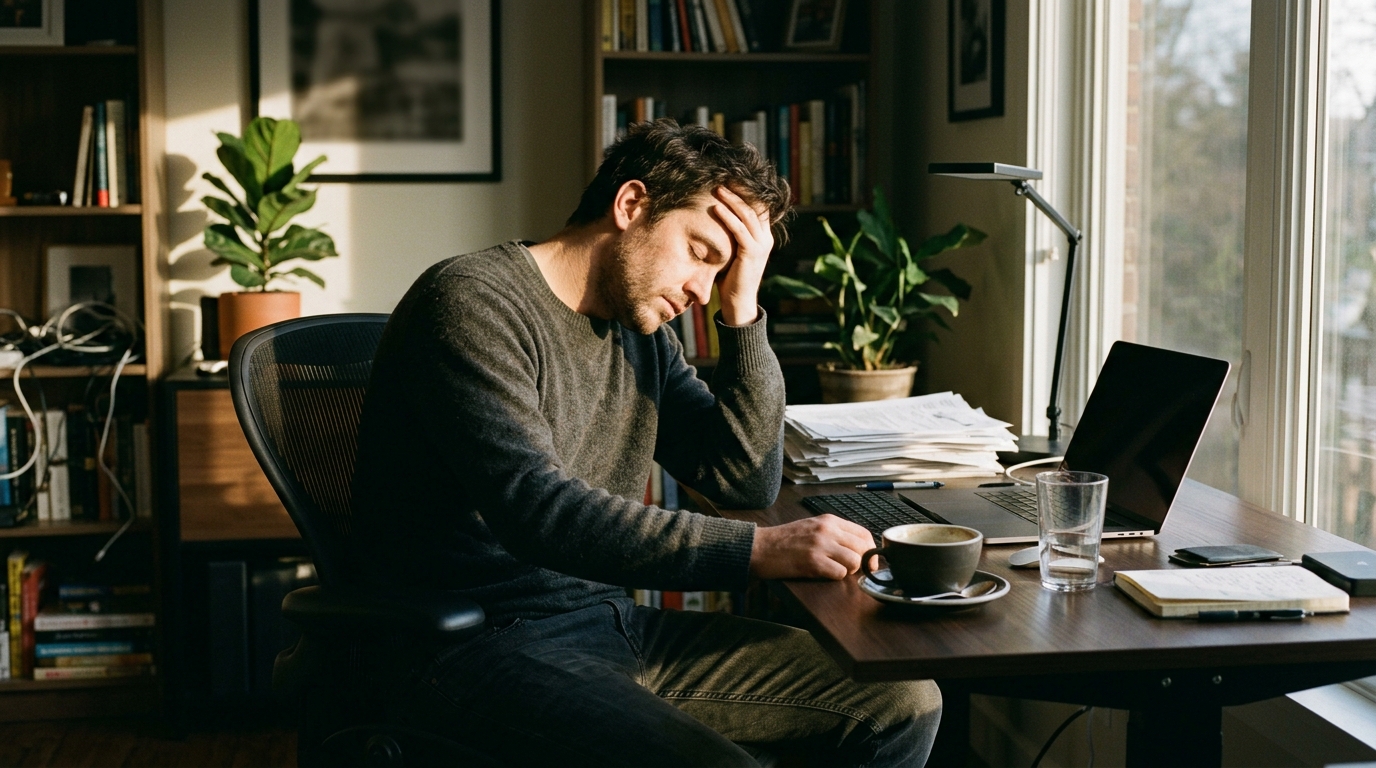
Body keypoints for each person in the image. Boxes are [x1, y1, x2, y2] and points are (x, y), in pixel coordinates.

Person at [351, 119, 942, 767]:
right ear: (631, 205)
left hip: (608, 627)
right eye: (701, 252)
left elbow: (741, 477)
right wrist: (759, 550)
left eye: (722, 270)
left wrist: (742, 310)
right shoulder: (470, 301)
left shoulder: (641, 332)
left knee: (901, 700)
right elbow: (539, 513)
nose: (700, 291)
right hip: (472, 647)